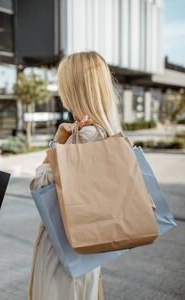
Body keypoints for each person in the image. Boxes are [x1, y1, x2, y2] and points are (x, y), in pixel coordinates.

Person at [29, 51, 123, 300]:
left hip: (64, 252)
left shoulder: (83, 137)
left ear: (74, 88)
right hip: (83, 251)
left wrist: (56, 144)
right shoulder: (102, 133)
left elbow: (40, 184)